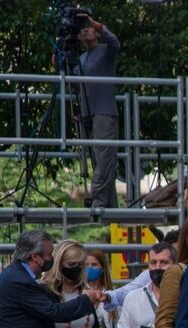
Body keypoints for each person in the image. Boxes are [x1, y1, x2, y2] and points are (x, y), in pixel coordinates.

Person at [74, 12, 120, 208]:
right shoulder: (82, 58)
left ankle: (99, 203)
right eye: (82, 27)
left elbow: (115, 43)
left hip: (104, 112)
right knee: (98, 161)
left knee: (103, 160)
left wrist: (99, 25)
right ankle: (110, 205)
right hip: (87, 114)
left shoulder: (104, 51)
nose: (85, 29)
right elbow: (69, 77)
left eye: (88, 26)